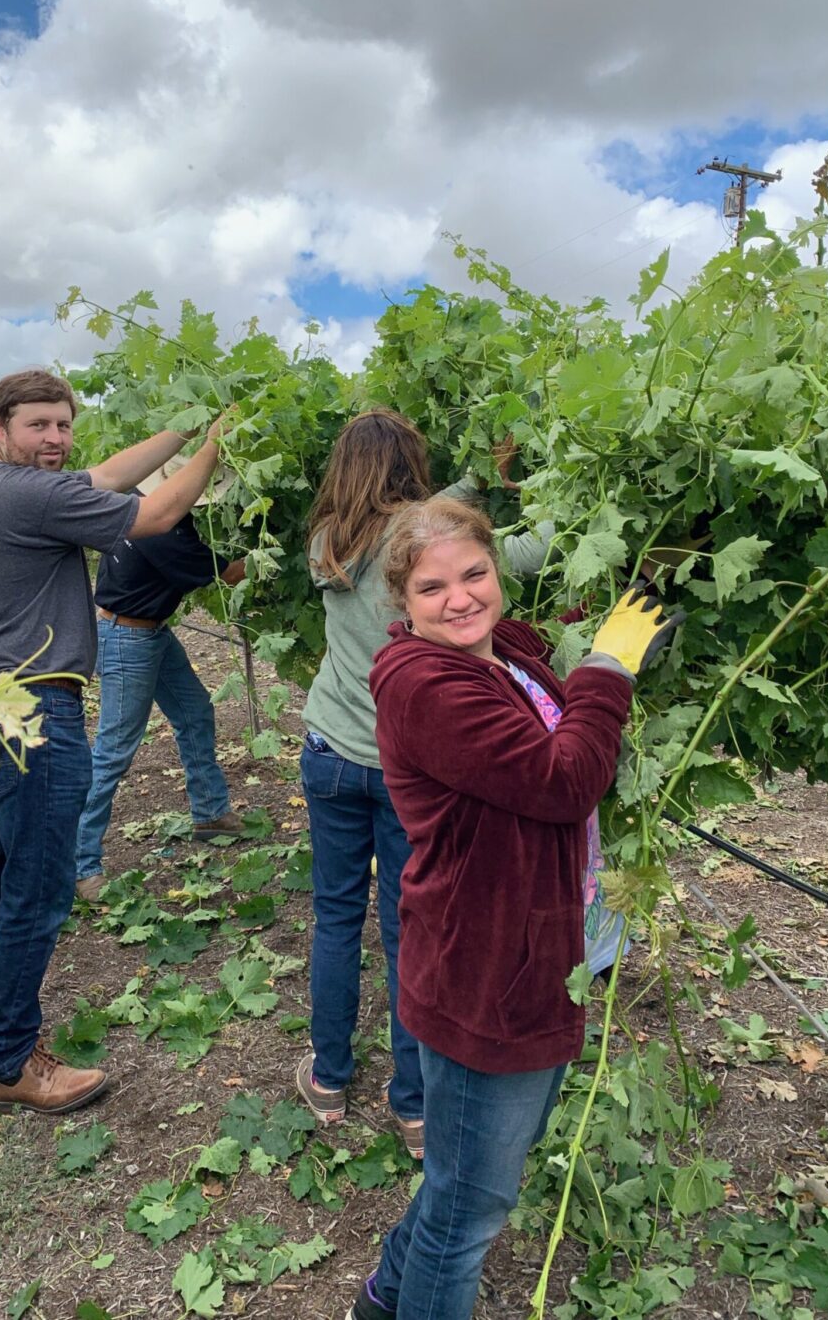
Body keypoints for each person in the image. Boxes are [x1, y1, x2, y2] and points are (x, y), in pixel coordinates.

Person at [345, 497, 683, 1320]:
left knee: (466, 1179)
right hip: (484, 972)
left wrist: (649, 576)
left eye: (474, 574)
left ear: (498, 572)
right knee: (470, 1211)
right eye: (433, 587)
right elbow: (564, 781)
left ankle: (385, 1296)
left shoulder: (508, 653)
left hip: (535, 946)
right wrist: (608, 667)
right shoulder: (424, 685)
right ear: (402, 600)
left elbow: (553, 677)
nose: (459, 598)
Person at [0, 368, 227, 1115]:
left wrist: (185, 423)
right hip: (33, 712)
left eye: (62, 424)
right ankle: (11, 1060)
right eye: (37, 425)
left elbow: (107, 474)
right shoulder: (33, 493)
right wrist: (218, 446)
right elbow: (153, 513)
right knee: (38, 889)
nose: (54, 439)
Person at [294, 410, 555, 1158]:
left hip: (328, 754)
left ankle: (330, 1076)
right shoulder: (421, 540)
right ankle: (413, 1109)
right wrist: (556, 499)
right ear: (415, 461)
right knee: (414, 930)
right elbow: (524, 556)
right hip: (408, 769)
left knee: (336, 918)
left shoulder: (327, 540)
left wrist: (477, 474)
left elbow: (425, 515)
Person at [74, 462, 247, 902]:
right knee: (114, 750)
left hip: (149, 630)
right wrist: (270, 556)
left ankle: (209, 813)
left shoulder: (138, 505)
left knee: (194, 711)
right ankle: (78, 864)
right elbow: (226, 574)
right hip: (128, 638)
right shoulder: (161, 529)